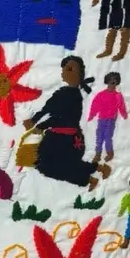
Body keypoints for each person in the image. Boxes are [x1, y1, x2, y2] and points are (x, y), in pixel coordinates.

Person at [23, 56, 110, 190]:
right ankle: (92, 176)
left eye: (70, 69)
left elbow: (61, 118)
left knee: (59, 165)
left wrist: (38, 124)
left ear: (80, 74)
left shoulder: (72, 96)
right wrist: (35, 121)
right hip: (56, 138)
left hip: (68, 140)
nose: (65, 72)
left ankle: (96, 170)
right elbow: (48, 109)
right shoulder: (63, 93)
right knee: (48, 165)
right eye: (64, 69)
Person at [86, 71, 127, 163]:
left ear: (117, 82)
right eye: (110, 80)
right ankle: (98, 154)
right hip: (101, 119)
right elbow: (95, 105)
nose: (112, 82)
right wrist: (91, 115)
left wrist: (124, 114)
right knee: (99, 137)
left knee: (108, 137)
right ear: (107, 81)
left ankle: (110, 153)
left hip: (110, 120)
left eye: (115, 81)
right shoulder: (101, 95)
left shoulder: (117, 95)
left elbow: (121, 106)